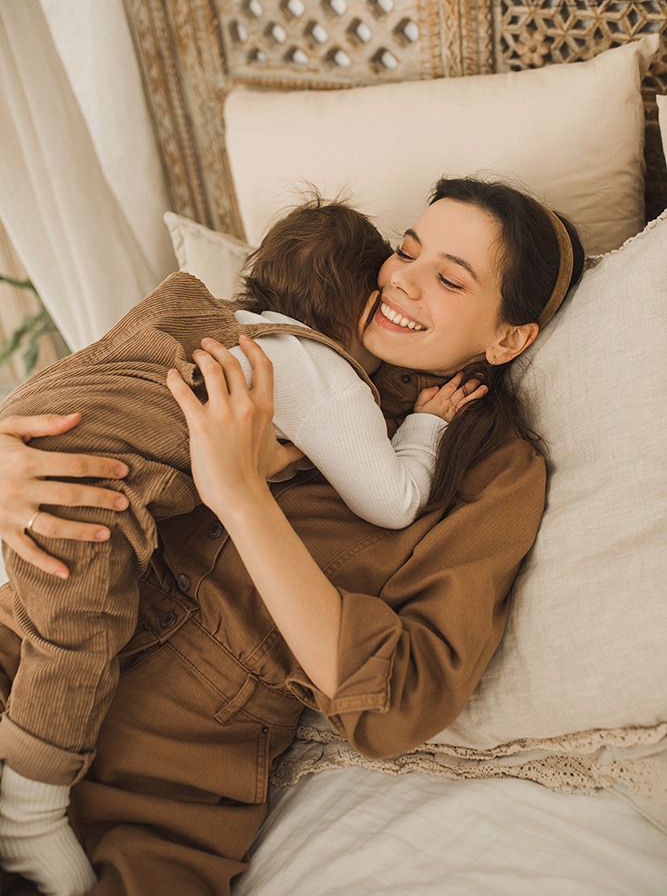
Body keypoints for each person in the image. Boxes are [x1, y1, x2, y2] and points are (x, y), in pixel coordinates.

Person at [0, 177, 584, 896]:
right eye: (406, 250)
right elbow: (100, 400)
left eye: (449, 279)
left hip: (166, 777)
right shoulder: (262, 336)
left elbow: (398, 702)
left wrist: (242, 498)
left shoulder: (492, 475)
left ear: (509, 337)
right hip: (22, 648)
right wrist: (15, 463)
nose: (401, 281)